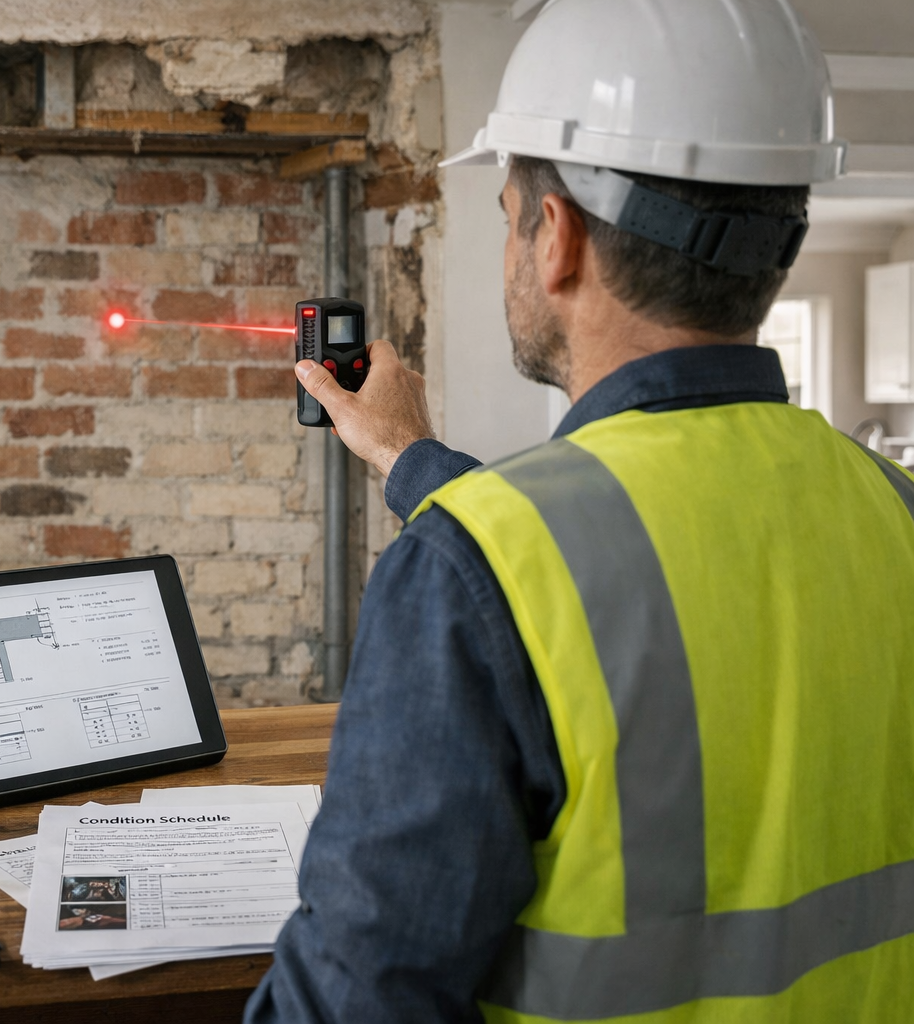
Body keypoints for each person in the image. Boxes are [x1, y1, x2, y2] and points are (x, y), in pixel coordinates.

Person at [246, 0, 914, 1021]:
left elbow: (352, 1004)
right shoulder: (893, 509)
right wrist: (409, 457)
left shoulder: (471, 575)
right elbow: (622, 566)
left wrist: (449, 534)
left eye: (510, 208)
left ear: (551, 235)